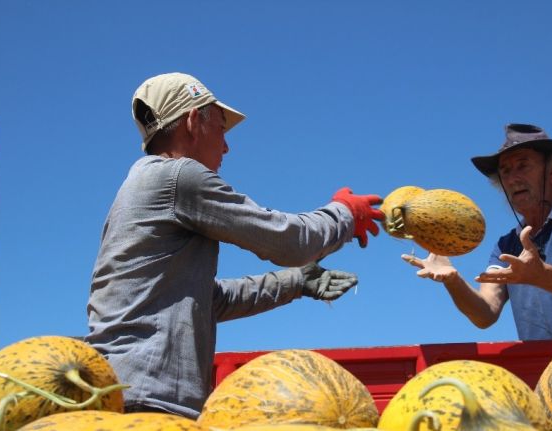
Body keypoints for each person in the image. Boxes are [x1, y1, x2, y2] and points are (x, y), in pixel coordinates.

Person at [85, 72, 384, 418]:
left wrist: (295, 282)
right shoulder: (177, 177)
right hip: (149, 402)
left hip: (126, 393)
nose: (227, 147)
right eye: (221, 129)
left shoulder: (141, 187)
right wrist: (346, 214)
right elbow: (289, 241)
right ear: (194, 121)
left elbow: (205, 301)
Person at [402, 123, 552, 341]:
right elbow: (486, 313)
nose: (512, 178)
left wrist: (540, 275)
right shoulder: (506, 244)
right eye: (505, 171)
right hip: (551, 372)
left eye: (522, 165)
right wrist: (453, 280)